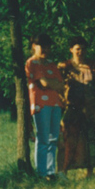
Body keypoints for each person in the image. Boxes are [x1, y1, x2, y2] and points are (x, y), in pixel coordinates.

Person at [58, 36, 95, 178]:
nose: (81, 52)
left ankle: (90, 171)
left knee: (91, 139)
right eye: (77, 49)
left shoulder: (94, 66)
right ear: (71, 50)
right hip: (72, 107)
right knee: (69, 139)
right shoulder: (64, 66)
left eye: (83, 49)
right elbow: (59, 88)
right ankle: (63, 170)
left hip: (90, 107)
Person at [25, 33, 64, 180]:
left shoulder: (51, 64)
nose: (46, 49)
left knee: (53, 138)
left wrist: (50, 83)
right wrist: (50, 83)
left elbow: (61, 85)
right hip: (40, 105)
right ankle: (42, 173)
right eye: (43, 46)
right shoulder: (32, 63)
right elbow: (44, 83)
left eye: (48, 47)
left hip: (55, 104)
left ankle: (50, 171)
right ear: (34, 46)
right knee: (43, 138)